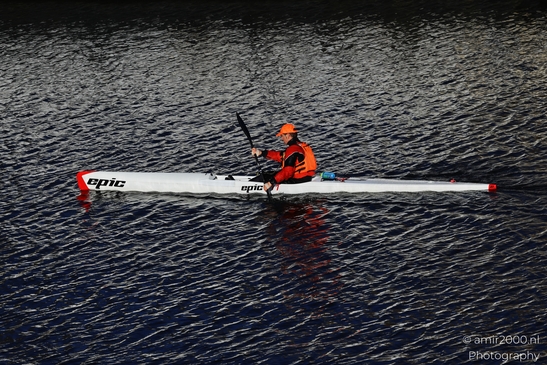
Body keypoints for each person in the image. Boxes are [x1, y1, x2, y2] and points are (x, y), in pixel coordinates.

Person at [251, 123, 317, 191]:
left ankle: (249, 185)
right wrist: (261, 153)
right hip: (308, 177)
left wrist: (271, 182)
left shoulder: (292, 149)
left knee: (264, 177)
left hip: (298, 180)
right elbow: (279, 156)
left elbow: (287, 172)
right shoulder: (301, 146)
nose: (281, 138)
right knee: (269, 174)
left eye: (282, 136)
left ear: (287, 136)